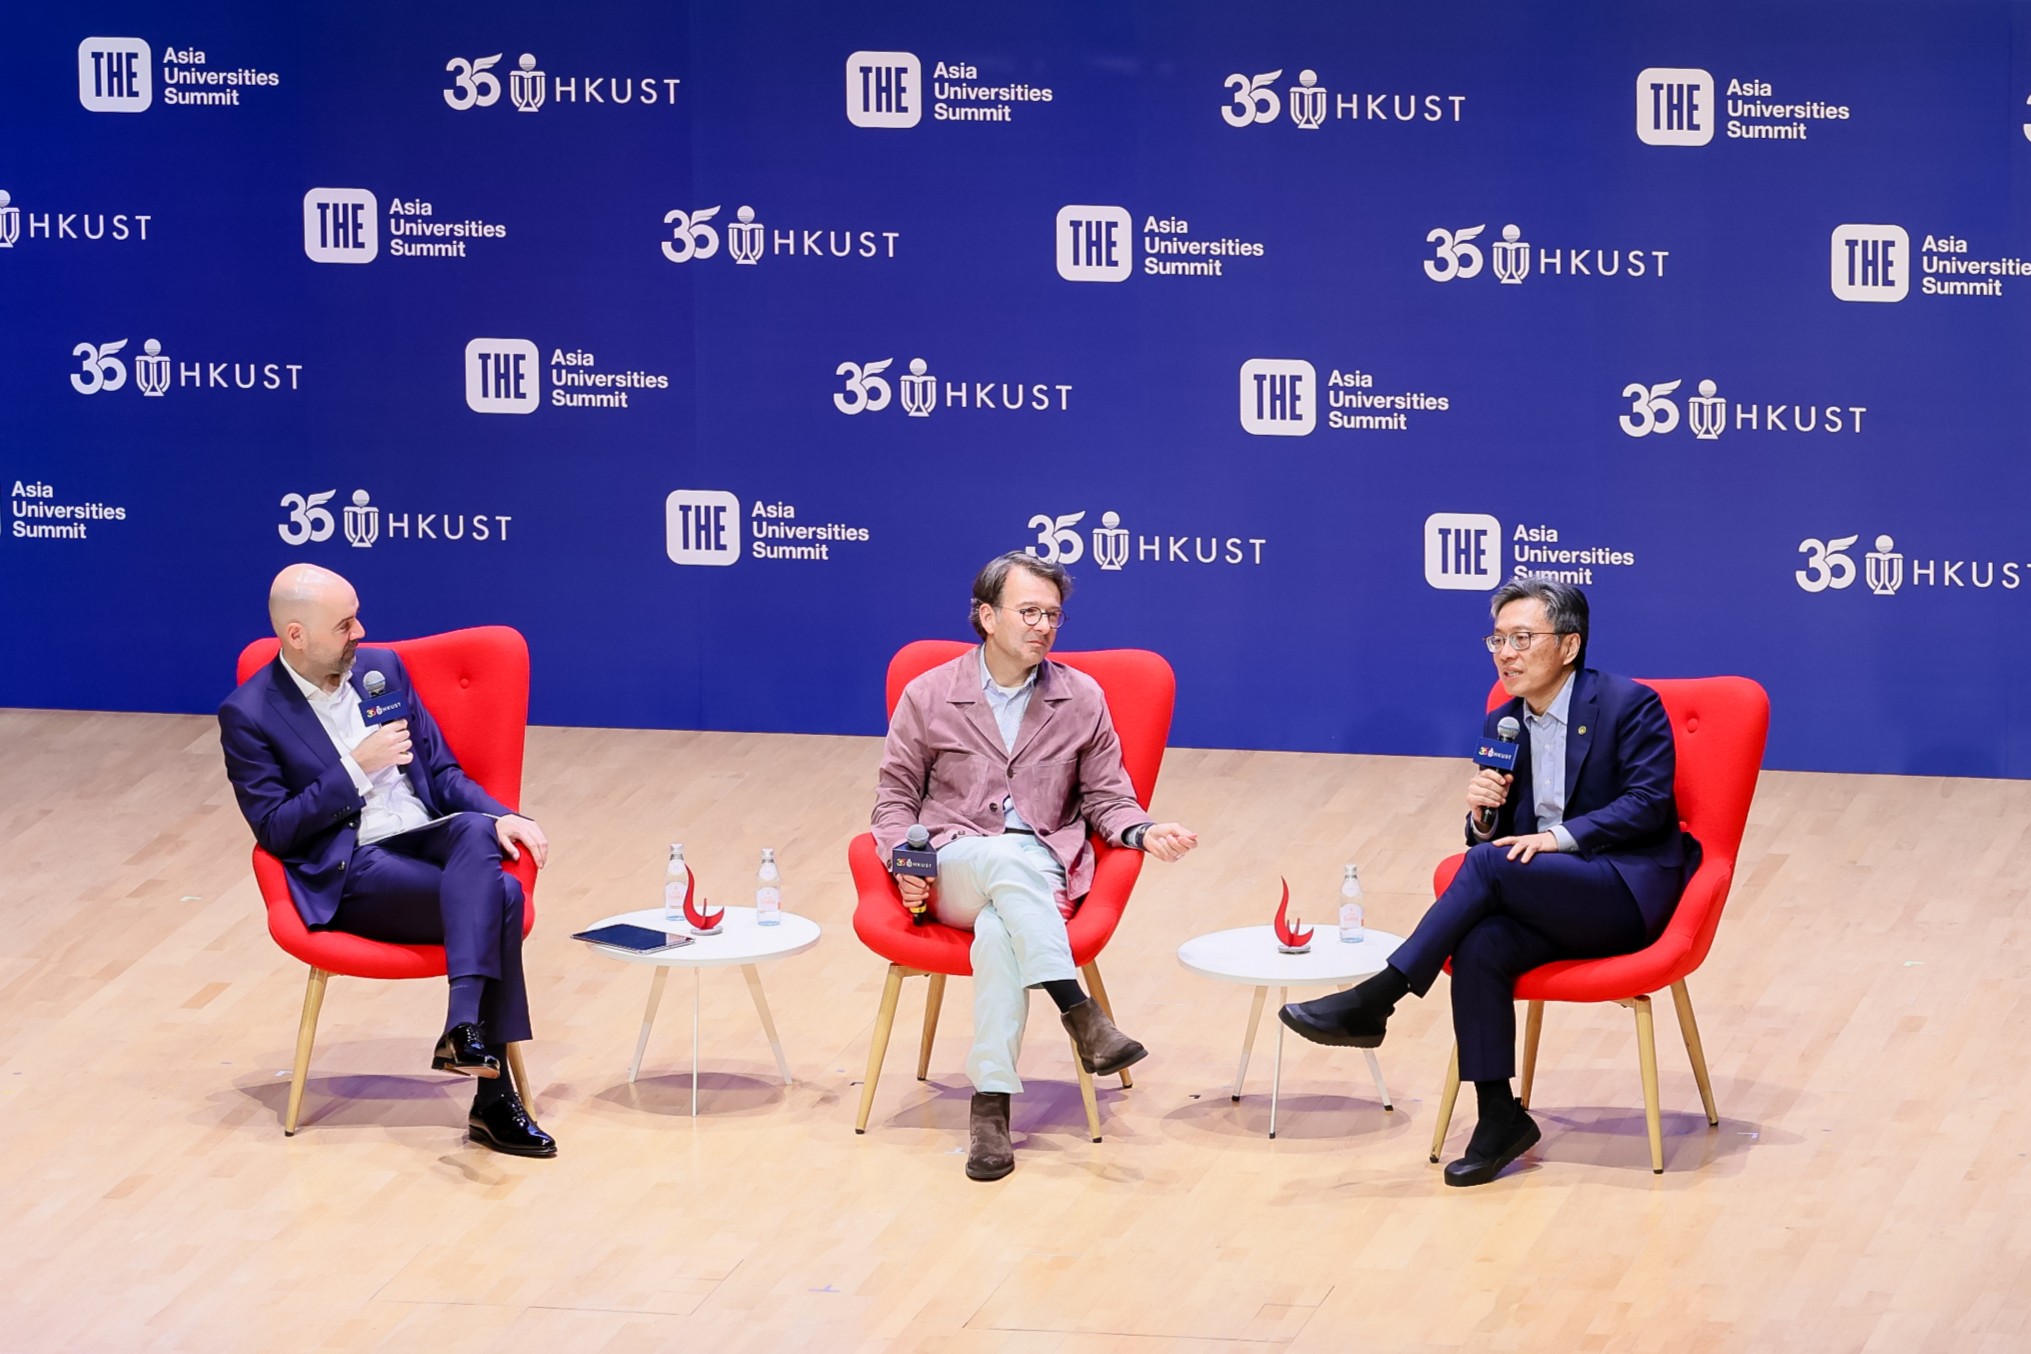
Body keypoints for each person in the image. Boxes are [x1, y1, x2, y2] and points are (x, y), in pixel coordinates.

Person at [1281, 578, 1697, 1186]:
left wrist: (1551, 839)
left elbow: (1647, 805)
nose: (1506, 653)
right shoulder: (1503, 723)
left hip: (1624, 892)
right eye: (1497, 639)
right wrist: (1482, 817)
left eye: (1522, 638)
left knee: (1483, 868)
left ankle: (1380, 997)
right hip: (1553, 895)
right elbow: (1497, 841)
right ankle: (1498, 1116)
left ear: (1570, 645)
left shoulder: (1627, 705)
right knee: (1481, 945)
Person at [872, 551, 1199, 1181]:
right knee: (997, 858)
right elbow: (893, 800)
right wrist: (903, 862)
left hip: (1042, 868)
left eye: (1053, 615)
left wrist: (1145, 828)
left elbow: (1108, 796)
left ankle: (990, 1107)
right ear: (987, 616)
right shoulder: (930, 693)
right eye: (1029, 612)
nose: (1043, 626)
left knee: (1001, 930)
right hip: (954, 865)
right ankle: (1078, 1010)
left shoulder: (1080, 697)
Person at [218, 564, 556, 1158]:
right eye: (345, 624)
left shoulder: (380, 672)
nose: (360, 632)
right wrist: (355, 766)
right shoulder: (250, 714)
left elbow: (443, 773)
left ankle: (463, 1031)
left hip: (422, 838)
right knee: (499, 897)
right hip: (353, 865)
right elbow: (275, 830)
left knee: (478, 831)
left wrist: (504, 814)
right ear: (296, 636)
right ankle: (491, 1098)